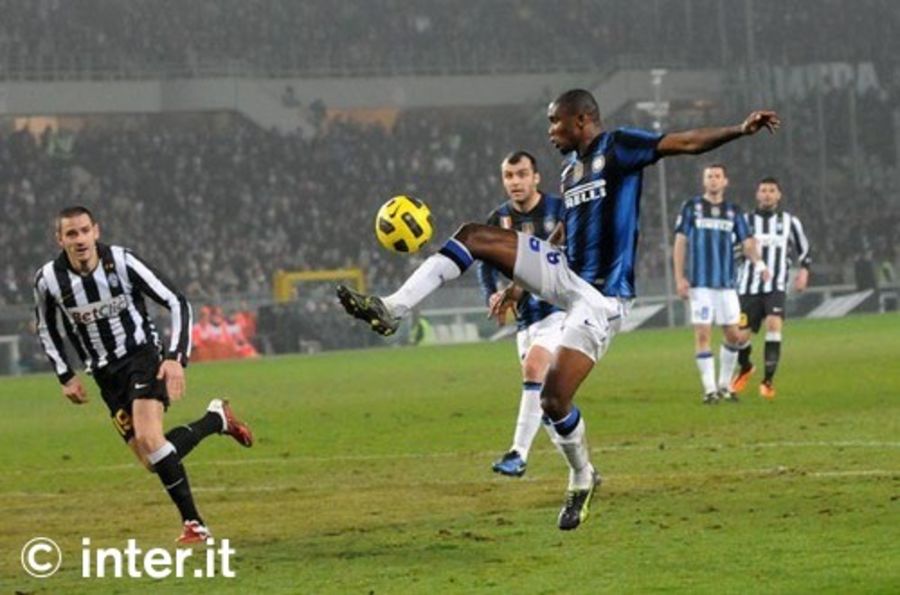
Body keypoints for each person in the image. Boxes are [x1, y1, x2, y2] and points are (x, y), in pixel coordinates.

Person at [337, 89, 779, 530]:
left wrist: (739, 129)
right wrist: (518, 285)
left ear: (582, 119)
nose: (550, 131)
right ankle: (392, 308)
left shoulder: (619, 146)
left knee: (553, 399)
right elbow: (568, 227)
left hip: (602, 297)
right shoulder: (569, 171)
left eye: (555, 121)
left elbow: (684, 142)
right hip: (565, 271)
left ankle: (582, 476)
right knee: (473, 235)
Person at [33, 206, 254, 543]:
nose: (79, 239)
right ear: (59, 239)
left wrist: (175, 357)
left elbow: (177, 301)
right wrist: (65, 375)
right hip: (105, 374)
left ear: (96, 231)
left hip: (142, 357)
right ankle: (215, 419)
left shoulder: (122, 262)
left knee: (152, 440)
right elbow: (46, 328)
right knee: (153, 460)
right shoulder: (48, 280)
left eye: (84, 231)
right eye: (71, 233)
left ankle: (195, 524)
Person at [477, 151, 566, 477]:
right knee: (547, 402)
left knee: (533, 369)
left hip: (561, 311)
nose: (515, 181)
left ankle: (518, 453)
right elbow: (484, 266)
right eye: (509, 176)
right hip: (526, 319)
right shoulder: (498, 219)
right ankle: (583, 470)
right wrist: (491, 294)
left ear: (536, 177)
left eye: (522, 174)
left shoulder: (559, 210)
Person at [672, 164, 768, 404]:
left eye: (717, 176)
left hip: (726, 285)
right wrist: (679, 277)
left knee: (734, 336)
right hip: (700, 285)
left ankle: (725, 386)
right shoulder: (691, 207)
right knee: (703, 334)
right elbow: (680, 242)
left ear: (725, 181)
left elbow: (747, 243)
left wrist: (760, 265)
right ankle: (710, 390)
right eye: (709, 176)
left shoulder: (734, 211)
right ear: (704, 181)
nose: (713, 180)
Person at [731, 178, 811, 399]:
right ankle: (746, 367)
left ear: (778, 195)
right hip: (748, 286)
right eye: (763, 190)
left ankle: (767, 381)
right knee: (739, 338)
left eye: (771, 190)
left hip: (775, 286)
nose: (767, 194)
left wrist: (804, 271)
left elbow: (804, 249)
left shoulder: (790, 222)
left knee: (774, 325)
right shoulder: (745, 221)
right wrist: (743, 253)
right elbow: (732, 248)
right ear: (757, 195)